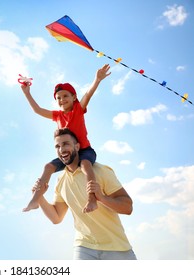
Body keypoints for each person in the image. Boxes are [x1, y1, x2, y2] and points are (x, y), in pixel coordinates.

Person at [21, 64, 111, 213]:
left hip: (84, 151)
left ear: (73, 97)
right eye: (58, 98)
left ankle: (92, 199)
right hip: (67, 155)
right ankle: (35, 199)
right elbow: (37, 110)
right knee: (48, 167)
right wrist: (26, 93)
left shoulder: (78, 109)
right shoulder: (57, 116)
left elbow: (88, 94)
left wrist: (97, 79)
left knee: (85, 164)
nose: (62, 100)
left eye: (65, 96)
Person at [36, 128, 137, 260]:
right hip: (84, 246)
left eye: (66, 144)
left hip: (116, 247)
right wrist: (40, 197)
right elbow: (56, 217)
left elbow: (128, 208)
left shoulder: (100, 171)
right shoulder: (61, 181)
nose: (61, 150)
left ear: (77, 147)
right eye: (57, 146)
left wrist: (102, 198)